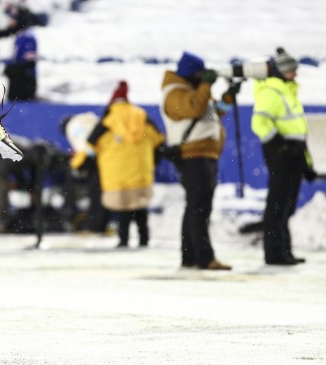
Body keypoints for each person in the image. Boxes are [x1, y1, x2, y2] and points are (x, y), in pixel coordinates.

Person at [160, 51, 234, 270]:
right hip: (193, 157)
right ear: (192, 73)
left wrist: (228, 98)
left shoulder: (193, 91)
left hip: (204, 156)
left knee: (196, 207)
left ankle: (190, 256)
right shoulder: (174, 93)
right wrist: (206, 86)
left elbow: (212, 113)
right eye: (200, 73)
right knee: (199, 208)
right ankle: (204, 258)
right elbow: (195, 108)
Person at [251, 47, 316, 265]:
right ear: (279, 71)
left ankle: (284, 251)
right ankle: (274, 254)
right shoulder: (272, 91)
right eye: (290, 70)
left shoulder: (288, 91)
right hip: (282, 156)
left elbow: (298, 130)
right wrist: (279, 144)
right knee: (277, 206)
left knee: (286, 206)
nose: (295, 74)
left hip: (294, 155)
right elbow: (258, 123)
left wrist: (306, 164)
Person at [88, 81, 164, 247]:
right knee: (140, 207)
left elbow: (90, 143)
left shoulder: (107, 121)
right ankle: (144, 240)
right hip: (141, 172)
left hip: (116, 174)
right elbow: (159, 141)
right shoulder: (143, 117)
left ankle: (124, 240)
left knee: (123, 210)